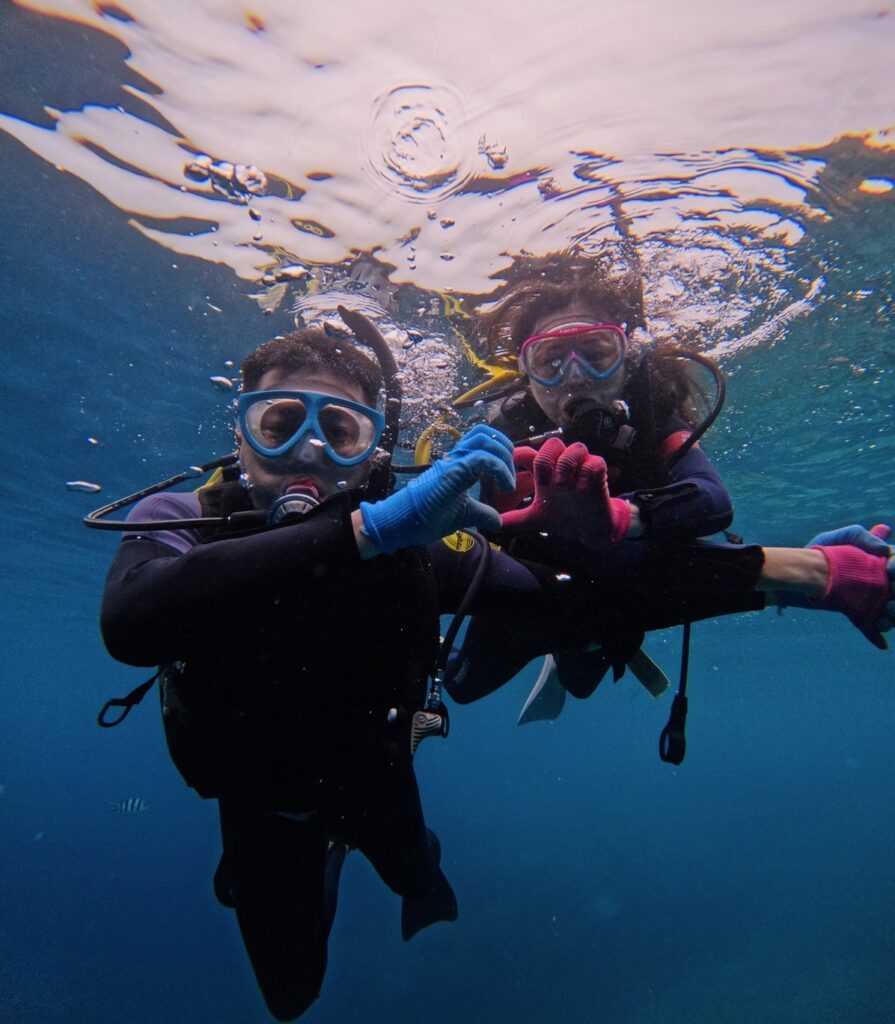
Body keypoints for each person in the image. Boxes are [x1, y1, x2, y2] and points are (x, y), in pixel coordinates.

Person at [98, 316, 519, 1021]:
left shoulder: (415, 534)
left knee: (420, 880)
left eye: (342, 431)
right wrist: (362, 532)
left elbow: (554, 595)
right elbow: (129, 622)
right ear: (242, 434)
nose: (311, 451)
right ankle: (322, 859)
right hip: (264, 802)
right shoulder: (186, 514)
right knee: (291, 997)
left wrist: (738, 569)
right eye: (282, 422)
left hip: (377, 776)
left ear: (371, 449)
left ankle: (399, 863)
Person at [443, 254, 894, 718]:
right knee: (460, 686)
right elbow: (487, 548)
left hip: (628, 591)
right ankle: (800, 577)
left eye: (596, 355)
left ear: (627, 359)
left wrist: (619, 517)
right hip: (538, 590)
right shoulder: (506, 434)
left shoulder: (653, 413)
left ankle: (577, 651)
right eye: (550, 362)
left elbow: (713, 501)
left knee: (583, 673)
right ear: (527, 376)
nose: (573, 377)